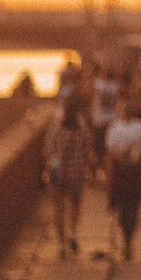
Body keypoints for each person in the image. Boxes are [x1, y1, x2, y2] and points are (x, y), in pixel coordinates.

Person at [103, 100, 141, 261]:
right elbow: (110, 154)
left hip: (135, 171)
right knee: (123, 207)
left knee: (133, 207)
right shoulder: (114, 128)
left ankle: (128, 240)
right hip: (121, 172)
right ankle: (126, 239)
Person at [42, 102, 99, 256]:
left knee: (58, 210)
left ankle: (61, 244)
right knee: (75, 205)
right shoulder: (82, 129)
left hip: (59, 175)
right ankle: (72, 233)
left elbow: (48, 152)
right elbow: (89, 150)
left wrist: (55, 168)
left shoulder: (55, 128)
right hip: (77, 174)